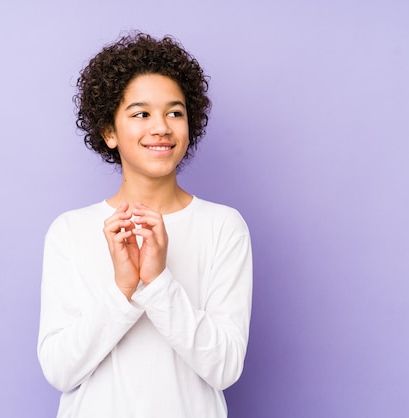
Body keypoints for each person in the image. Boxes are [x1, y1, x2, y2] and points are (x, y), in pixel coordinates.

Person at [37, 32, 253, 418]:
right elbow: (59, 370)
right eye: (141, 114)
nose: (162, 127)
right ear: (109, 132)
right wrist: (123, 288)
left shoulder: (223, 226)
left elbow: (224, 368)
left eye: (175, 112)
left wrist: (157, 282)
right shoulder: (69, 231)